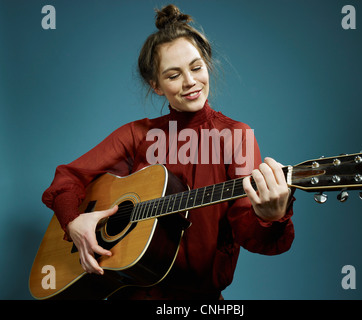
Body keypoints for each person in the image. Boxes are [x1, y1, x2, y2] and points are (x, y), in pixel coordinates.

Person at [42, 4, 295, 300]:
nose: (190, 82)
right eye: (173, 75)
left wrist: (272, 215)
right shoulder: (137, 135)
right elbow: (66, 179)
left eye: (196, 67)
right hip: (131, 292)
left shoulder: (235, 135)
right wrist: (74, 222)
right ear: (156, 85)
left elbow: (252, 236)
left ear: (207, 65)